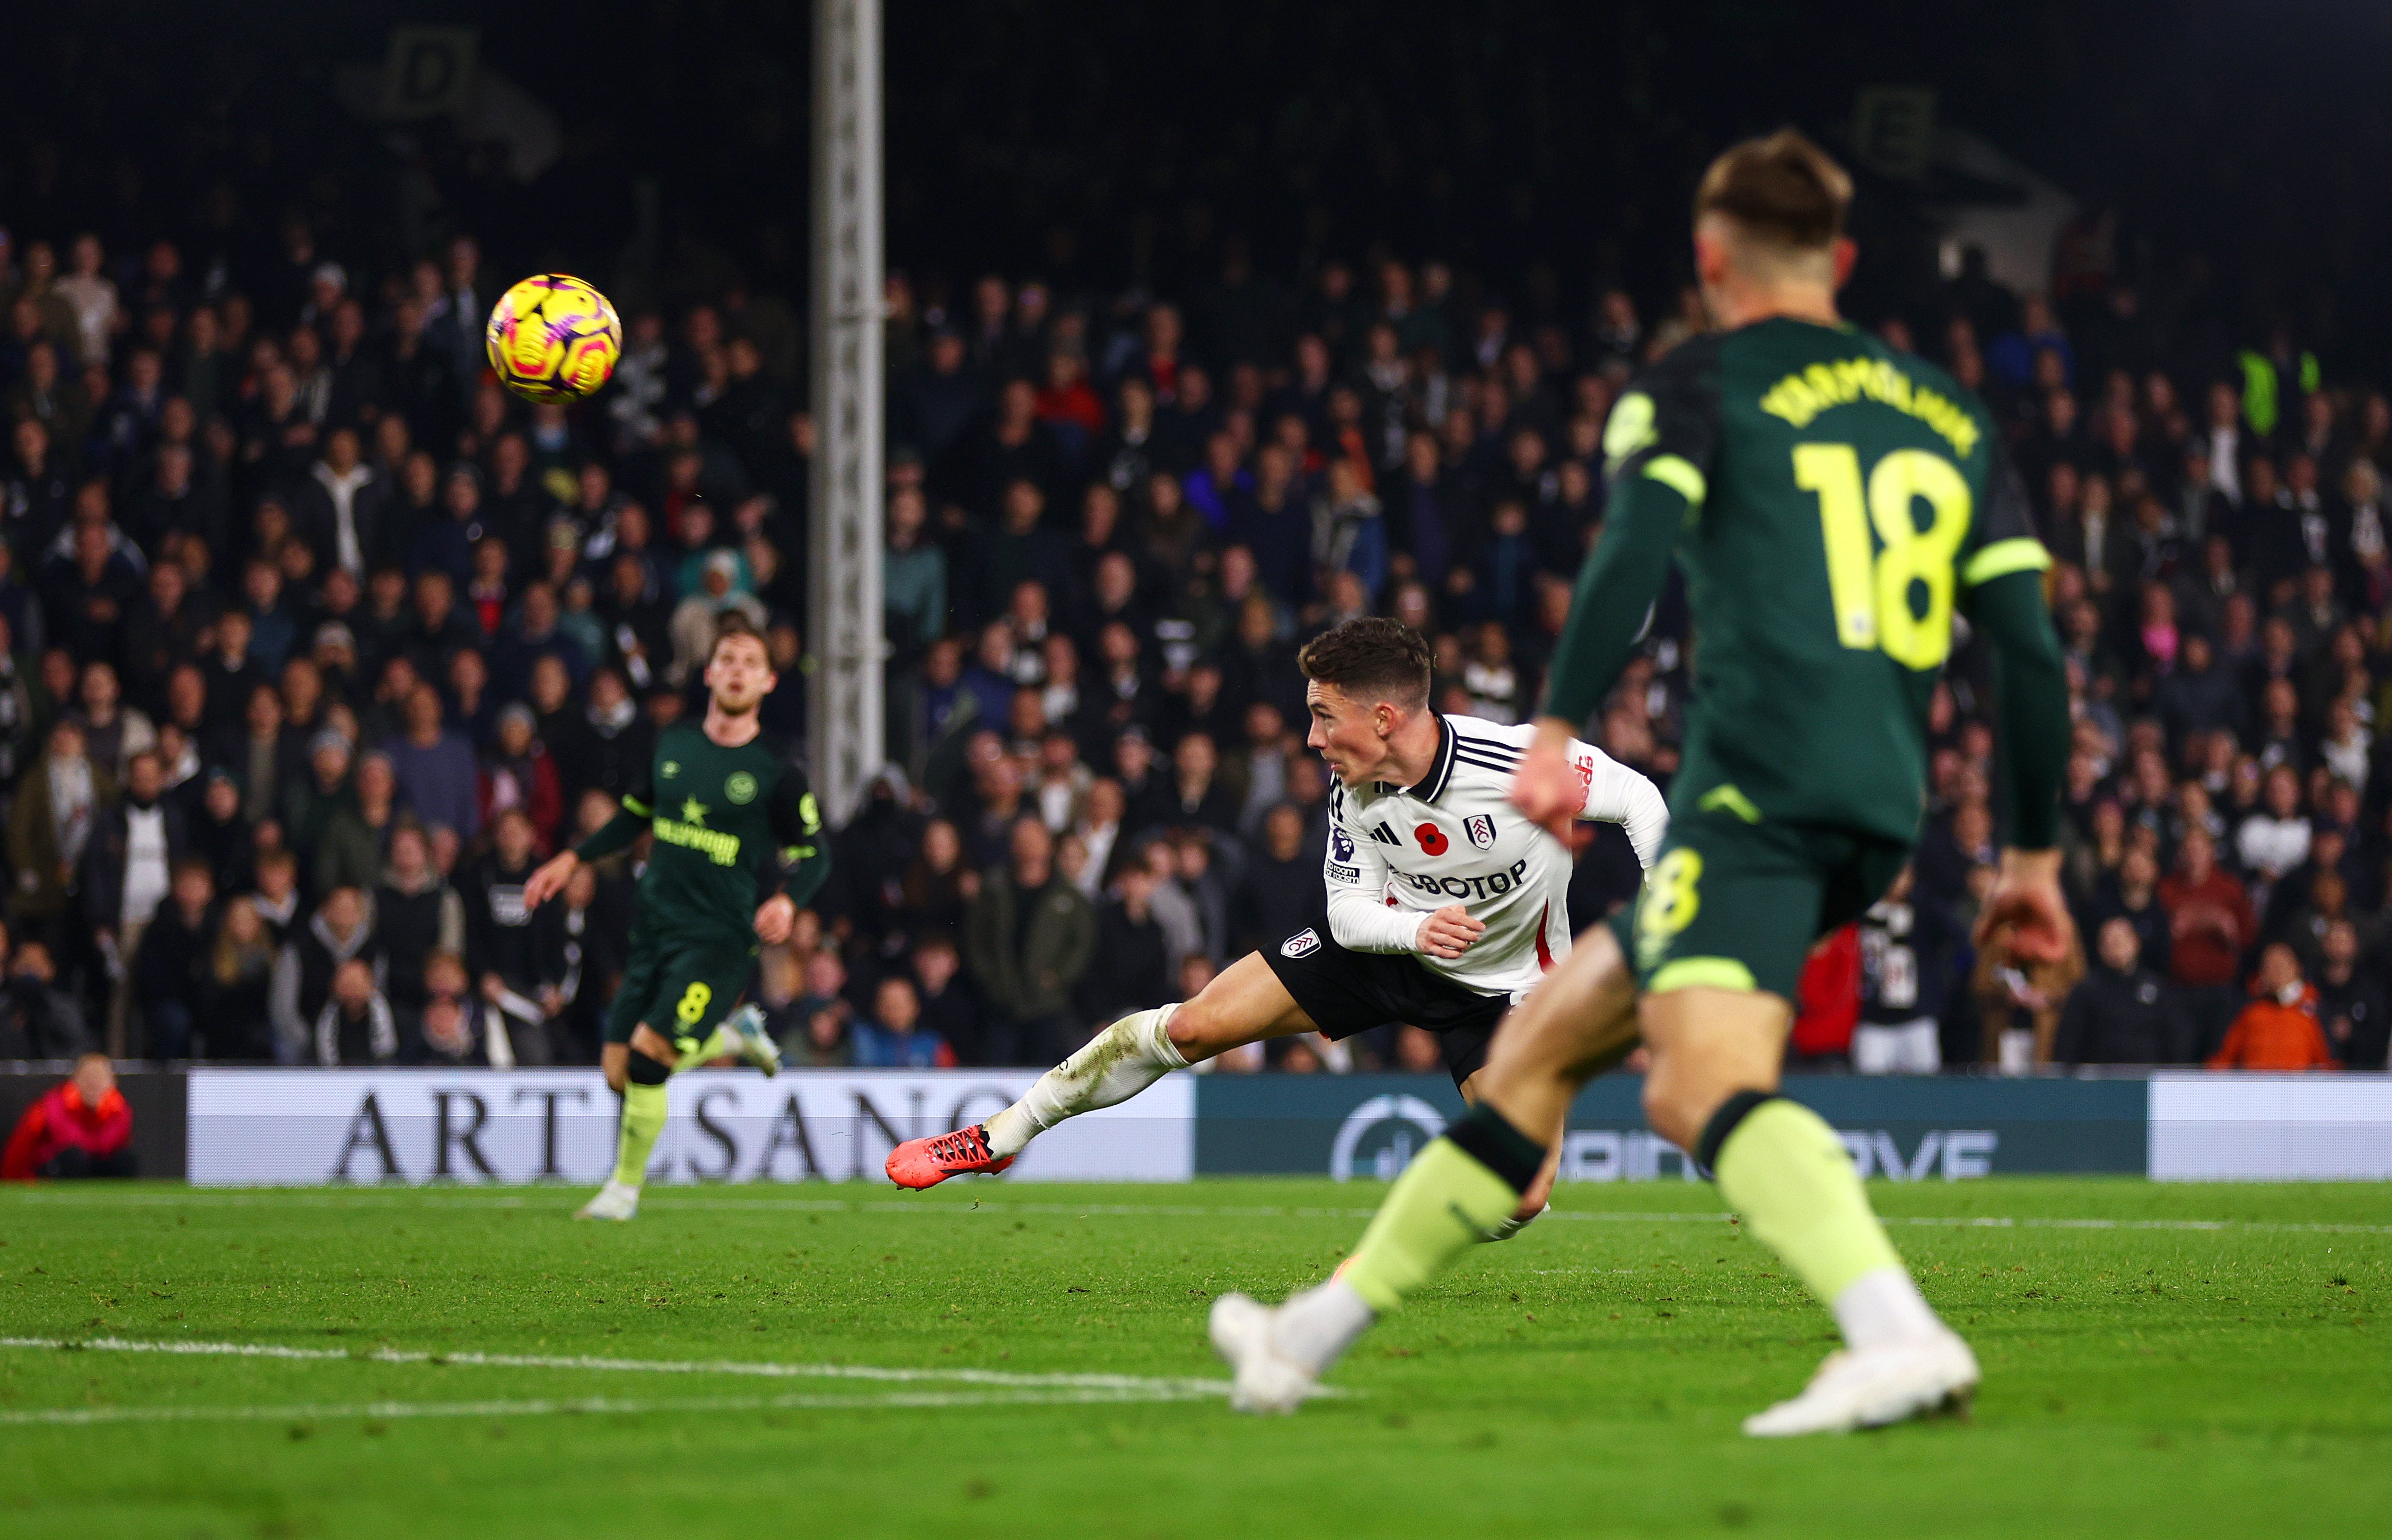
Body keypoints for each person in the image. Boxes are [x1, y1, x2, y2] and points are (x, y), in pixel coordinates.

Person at [1201, 133, 2070, 1433]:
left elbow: (1627, 568)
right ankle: (1302, 1341)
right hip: (1875, 808)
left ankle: (1893, 1334)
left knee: (1689, 1084)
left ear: (1707, 260)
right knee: (1537, 1054)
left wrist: (1551, 730)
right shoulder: (1947, 414)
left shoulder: (1695, 386)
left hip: (1759, 800)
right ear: (1837, 260)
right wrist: (2034, 858)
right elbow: (2027, 652)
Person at [889, 616, 1666, 1211]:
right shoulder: (1351, 788)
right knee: (1190, 1026)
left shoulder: (1515, 763)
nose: (1310, 737)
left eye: (1325, 717)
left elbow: (1637, 798)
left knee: (1522, 1196)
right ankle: (997, 1136)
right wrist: (1415, 930)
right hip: (1386, 947)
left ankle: (1405, 1243)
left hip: (1505, 994)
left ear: (1385, 718)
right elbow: (1349, 912)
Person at [521, 615, 830, 1221]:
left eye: (751, 662)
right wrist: (571, 857)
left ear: (768, 681)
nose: (738, 670)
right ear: (711, 672)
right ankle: (732, 1037)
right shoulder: (674, 742)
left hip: (718, 937)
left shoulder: (777, 768)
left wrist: (787, 900)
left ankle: (622, 1193)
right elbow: (634, 814)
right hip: (654, 928)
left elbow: (816, 852)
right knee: (619, 1073)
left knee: (646, 1057)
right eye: (729, 659)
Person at [1851, 866, 1959, 1074]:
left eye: (1901, 875)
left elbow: (1959, 940)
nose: (1895, 881)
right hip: (1872, 1019)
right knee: (1868, 1091)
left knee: (1925, 1091)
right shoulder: (1861, 912)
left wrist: (1940, 988)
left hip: (1917, 1019)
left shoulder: (1924, 911)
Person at [2053, 918, 2185, 1065]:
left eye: (2119, 942)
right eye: (2107, 943)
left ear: (2135, 943)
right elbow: (2068, 1043)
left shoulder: (2157, 989)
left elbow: (2175, 1039)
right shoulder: (2086, 991)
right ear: (2100, 949)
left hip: (2146, 1079)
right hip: (2100, 1081)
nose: (2114, 948)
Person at [2, 1053, 133, 1180]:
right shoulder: (54, 1104)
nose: (93, 1085)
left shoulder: (118, 1108)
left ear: (112, 1083)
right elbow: (67, 1140)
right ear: (75, 1080)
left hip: (95, 1163)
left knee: (125, 1160)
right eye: (88, 1077)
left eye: (99, 1078)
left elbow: (113, 1143)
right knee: (73, 1157)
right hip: (57, 1167)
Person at [2207, 943, 2335, 1071]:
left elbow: (2328, 1063)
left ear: (2297, 968)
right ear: (2262, 973)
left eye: (2283, 964)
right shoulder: (2248, 1012)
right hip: (2255, 1087)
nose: (2278, 971)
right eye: (2271, 966)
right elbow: (2223, 1060)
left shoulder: (2315, 1011)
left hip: (2299, 1088)